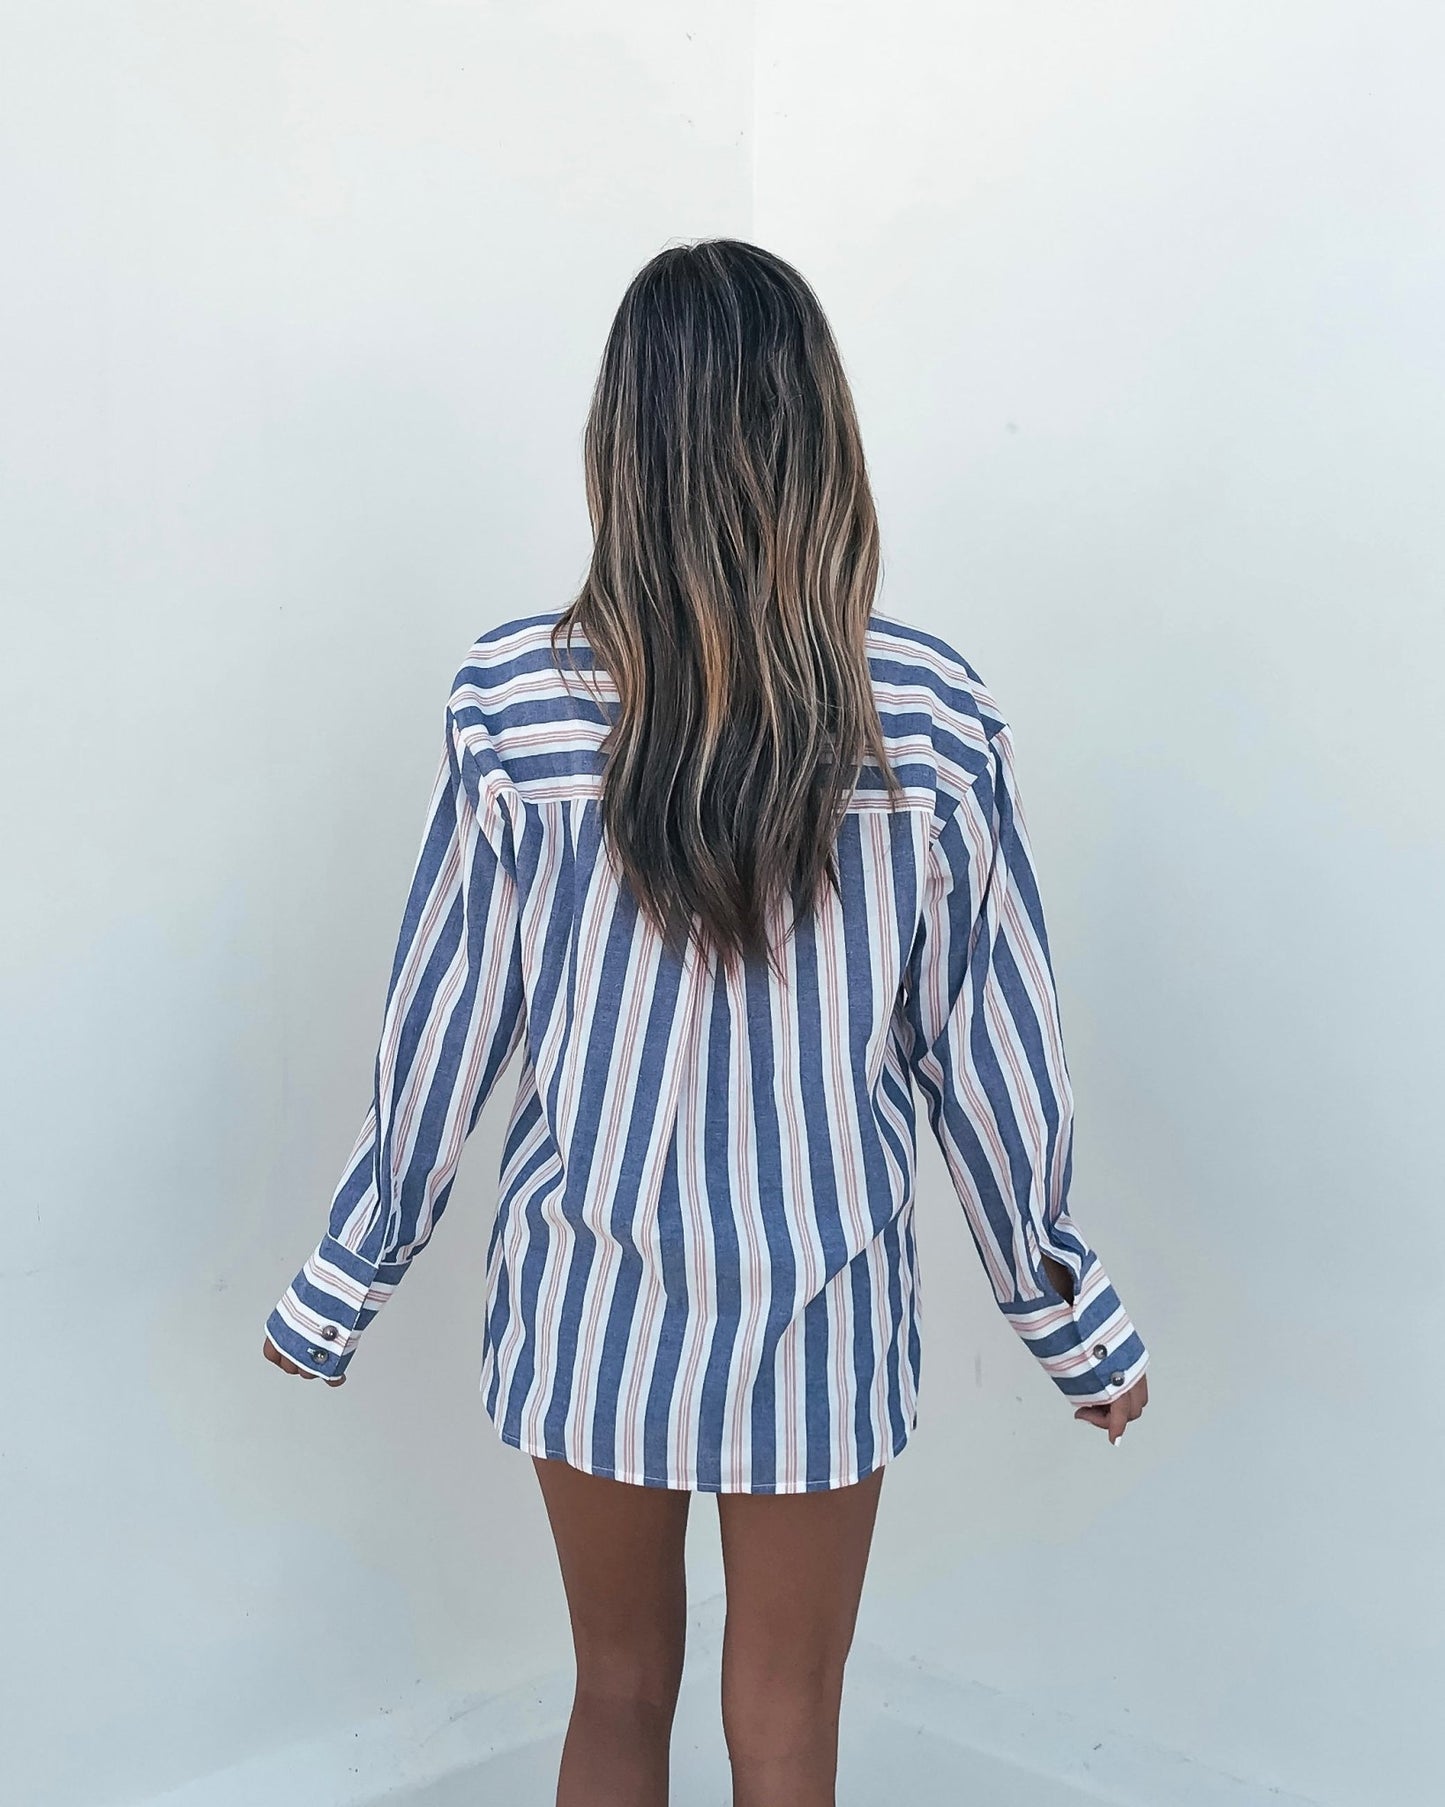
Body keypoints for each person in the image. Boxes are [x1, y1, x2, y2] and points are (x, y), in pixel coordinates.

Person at [261, 238, 1149, 1807]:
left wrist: (346, 1275)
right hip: (821, 1303)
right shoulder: (930, 717)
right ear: (822, 438)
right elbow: (990, 1056)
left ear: (623, 447)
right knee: (789, 1720)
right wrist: (1064, 1309)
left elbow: (441, 1031)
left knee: (613, 1695)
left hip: (586, 1287)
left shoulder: (512, 706)